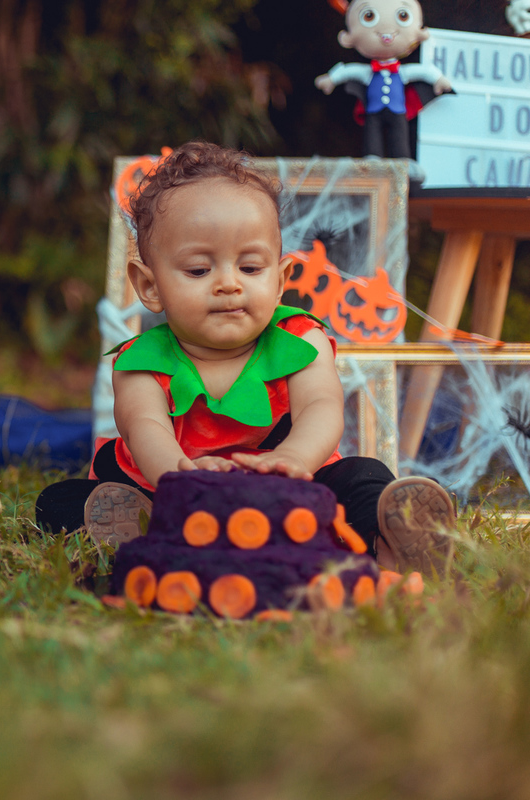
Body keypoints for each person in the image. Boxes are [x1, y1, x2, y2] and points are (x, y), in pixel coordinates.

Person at [35, 141, 455, 573]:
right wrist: (180, 477)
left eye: (251, 268)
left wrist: (293, 459)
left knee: (363, 475)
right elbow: (145, 428)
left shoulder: (301, 341)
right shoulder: (140, 362)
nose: (228, 284)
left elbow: (322, 408)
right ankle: (139, 529)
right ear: (149, 286)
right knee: (60, 501)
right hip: (174, 489)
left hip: (289, 487)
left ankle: (389, 544)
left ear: (279, 280)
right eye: (199, 270)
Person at [314, 0, 451, 164]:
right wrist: (331, 79)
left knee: (399, 136)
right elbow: (348, 70)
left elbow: (424, 71)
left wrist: (438, 79)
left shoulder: (402, 72)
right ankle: (372, 158)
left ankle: (402, 161)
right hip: (373, 112)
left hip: (398, 111)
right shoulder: (368, 72)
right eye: (369, 15)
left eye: (403, 15)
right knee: (372, 136)